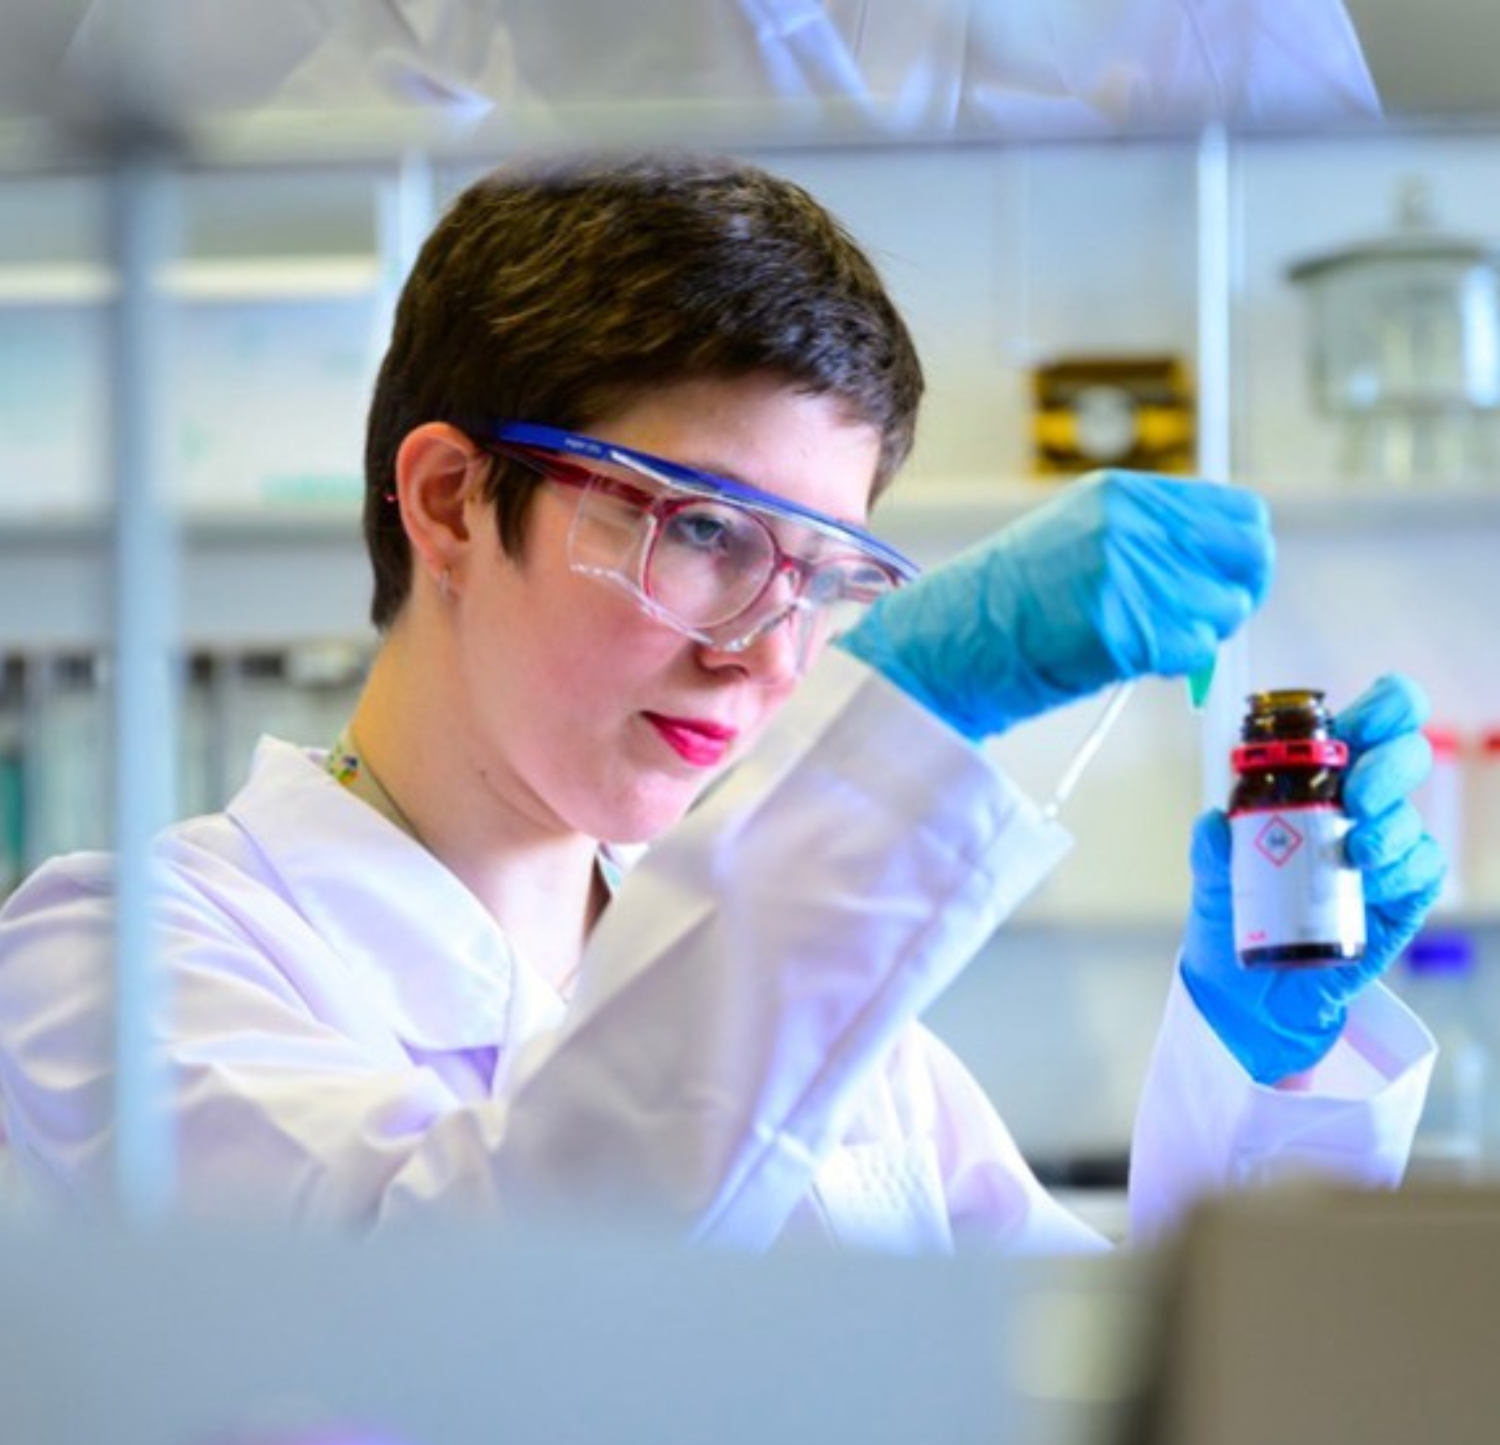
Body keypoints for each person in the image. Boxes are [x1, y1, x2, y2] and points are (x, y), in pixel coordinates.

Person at [0, 151, 1444, 1252]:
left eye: (826, 578)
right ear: (448, 502)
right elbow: (458, 1330)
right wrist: (912, 714)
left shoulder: (822, 1015)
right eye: (702, 529)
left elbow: (1099, 1401)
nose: (769, 653)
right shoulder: (106, 969)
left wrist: (1261, 1072)